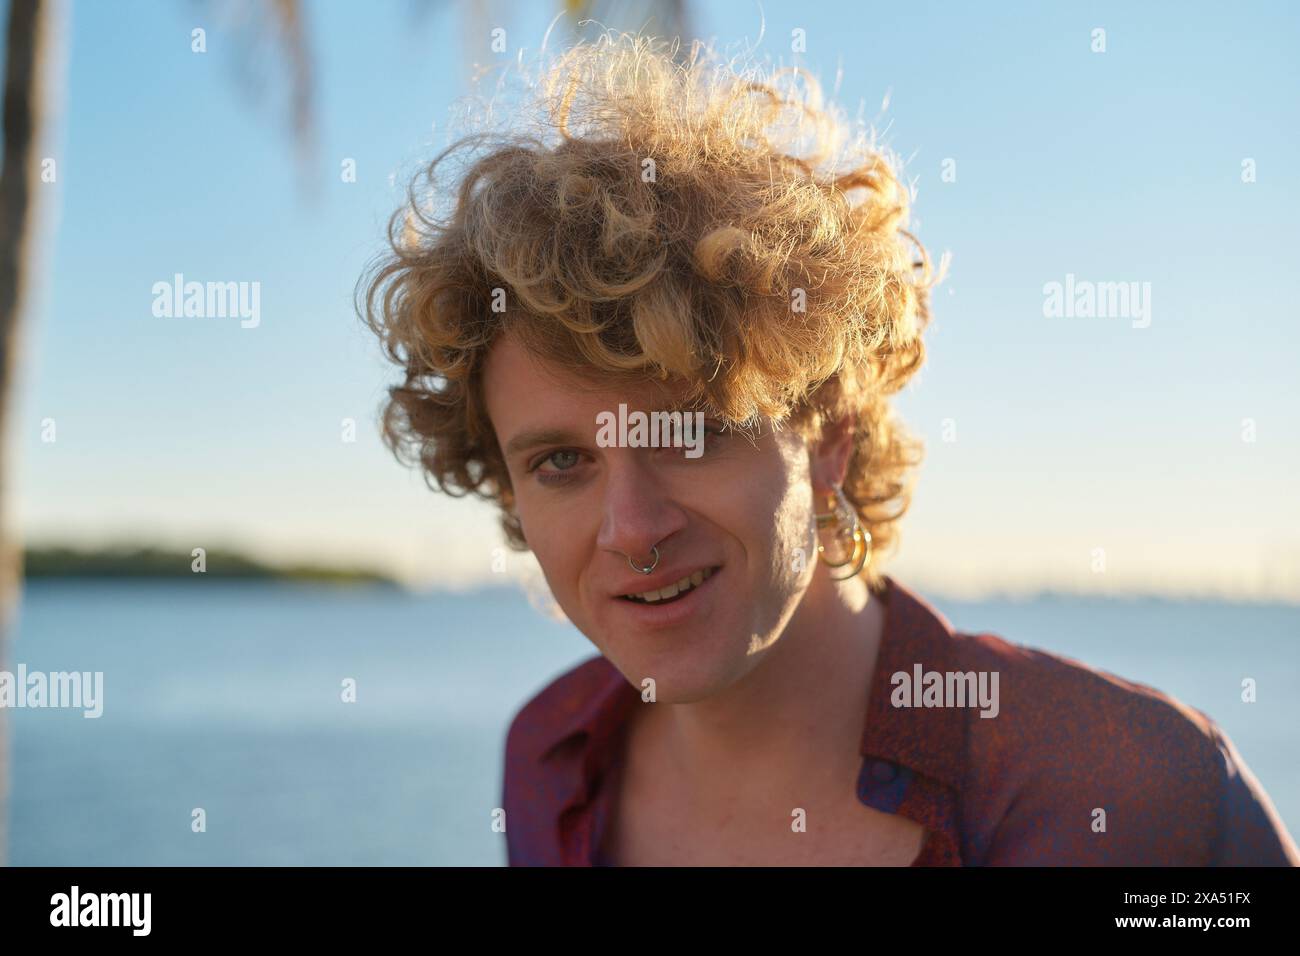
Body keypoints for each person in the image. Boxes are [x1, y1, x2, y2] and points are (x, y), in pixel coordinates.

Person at [360, 34, 1299, 866]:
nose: (632, 529)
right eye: (561, 462)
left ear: (831, 438)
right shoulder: (549, 758)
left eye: (691, 435)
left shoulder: (1131, 791)